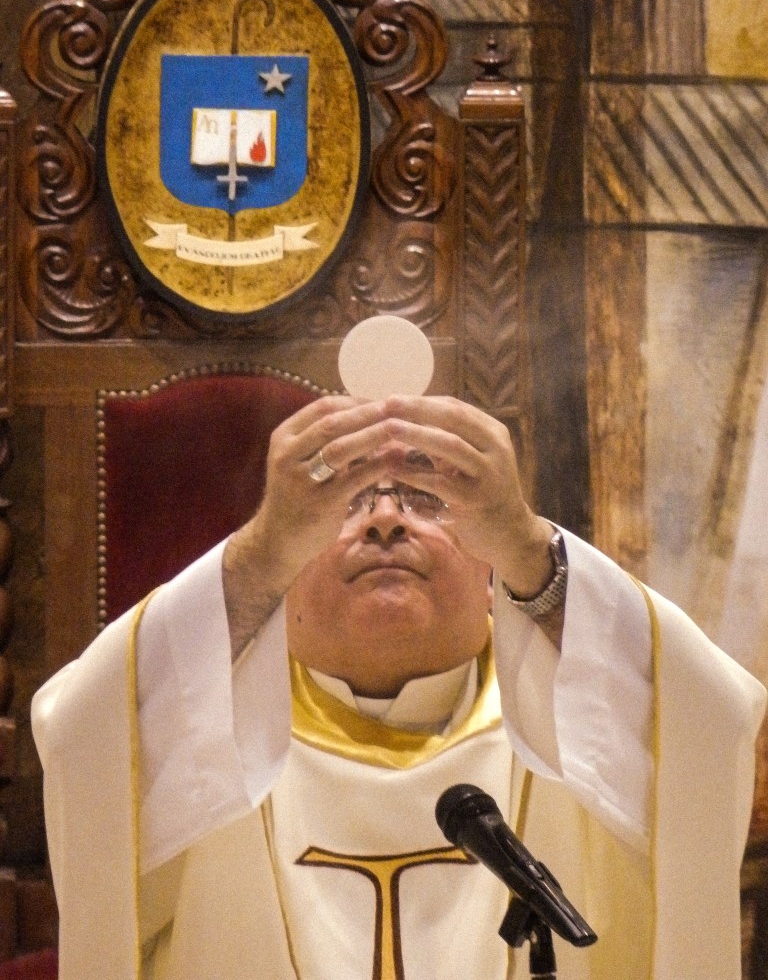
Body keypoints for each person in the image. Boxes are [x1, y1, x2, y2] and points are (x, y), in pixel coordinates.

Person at [32, 395, 766, 980]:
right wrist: (257, 556)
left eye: (425, 498)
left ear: (490, 566)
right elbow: (81, 741)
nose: (385, 519)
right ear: (284, 566)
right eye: (346, 502)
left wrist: (527, 546)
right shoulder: (201, 734)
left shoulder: (580, 728)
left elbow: (712, 723)